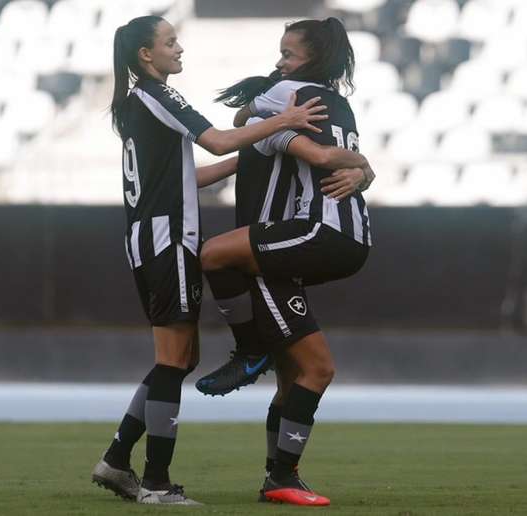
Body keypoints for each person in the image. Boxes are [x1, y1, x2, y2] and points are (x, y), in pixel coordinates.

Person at [89, 15, 327, 506]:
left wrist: (254, 155)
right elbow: (216, 139)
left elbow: (187, 177)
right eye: (170, 42)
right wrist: (283, 122)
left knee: (179, 358)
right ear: (146, 56)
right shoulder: (160, 94)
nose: (180, 49)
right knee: (173, 360)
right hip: (169, 239)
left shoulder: (135, 104)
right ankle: (155, 483)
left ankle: (116, 460)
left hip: (149, 237)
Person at [197, 17, 372, 507]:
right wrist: (364, 167)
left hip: (315, 230)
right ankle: (281, 476)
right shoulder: (339, 108)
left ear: (308, 63)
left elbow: (236, 128)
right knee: (302, 374)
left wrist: (261, 109)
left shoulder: (286, 100)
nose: (279, 63)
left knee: (213, 252)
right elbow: (236, 160)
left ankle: (248, 351)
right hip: (349, 237)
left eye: (287, 54)